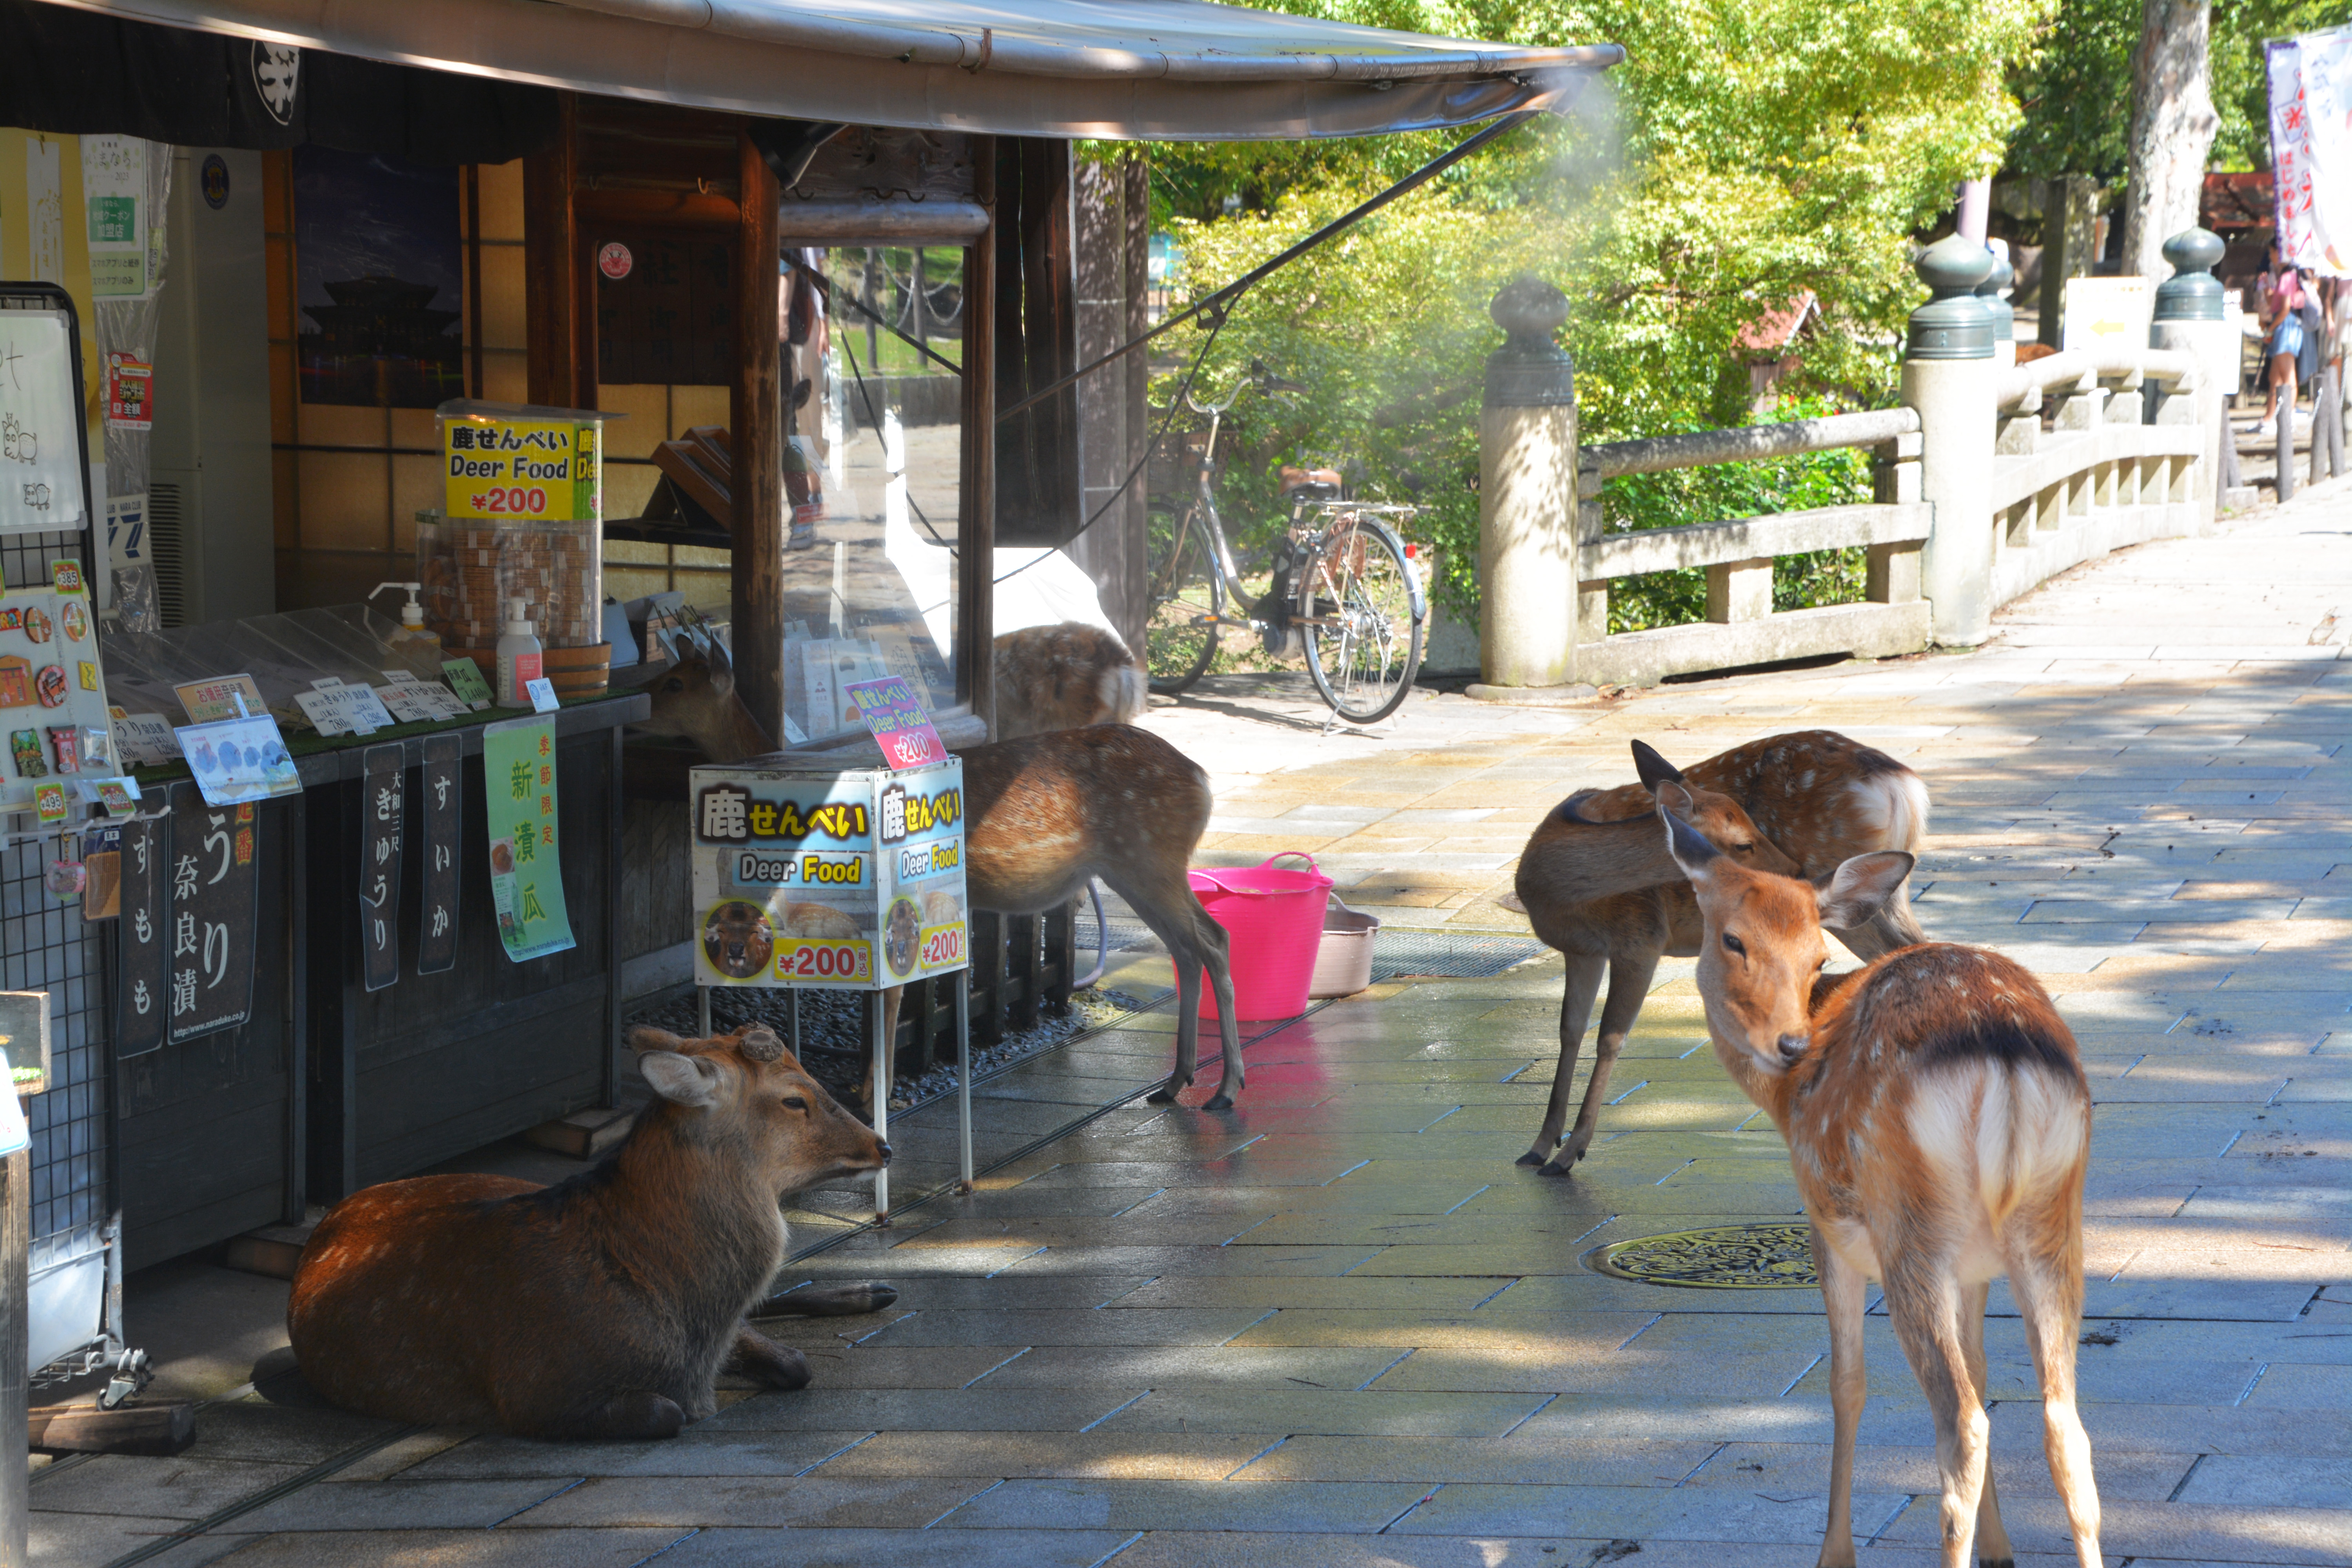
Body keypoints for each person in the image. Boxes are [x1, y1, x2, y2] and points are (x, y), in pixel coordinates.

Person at [2257, 252, 2307, 438]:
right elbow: (2275, 304)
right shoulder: (2286, 277)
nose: (2271, 257)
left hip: (2286, 326)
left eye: (2272, 252)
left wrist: (2271, 330)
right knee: (2275, 377)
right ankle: (2271, 418)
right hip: (2284, 326)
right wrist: (2266, 287)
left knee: (2287, 375)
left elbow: (2285, 308)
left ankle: (2288, 418)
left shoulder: (2288, 277)